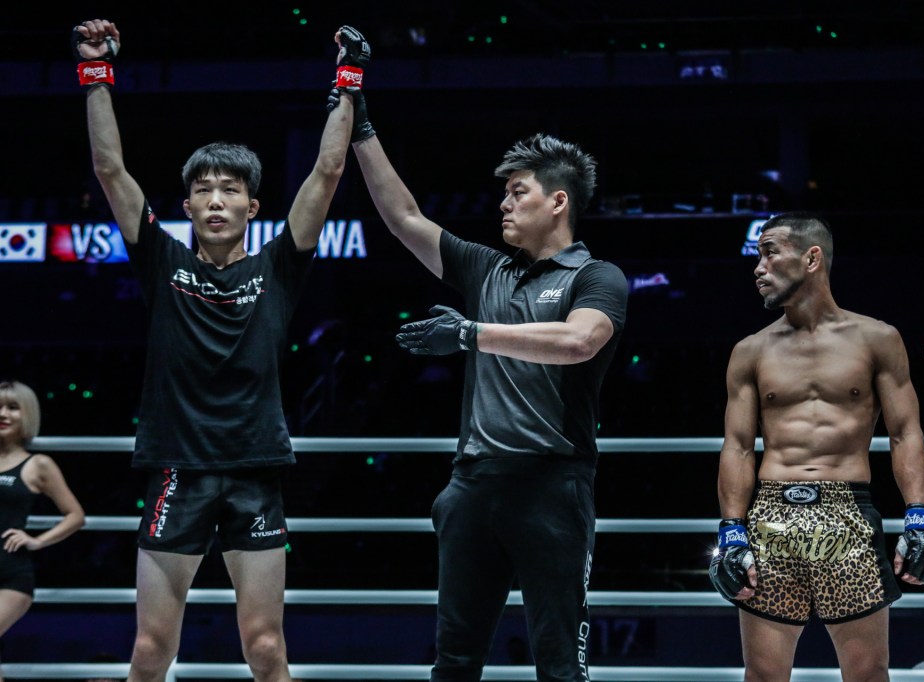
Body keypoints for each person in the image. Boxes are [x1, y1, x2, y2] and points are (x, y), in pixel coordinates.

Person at [74, 18, 366, 682]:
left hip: (254, 469)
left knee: (266, 649)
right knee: (150, 652)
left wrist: (348, 79)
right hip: (176, 466)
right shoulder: (161, 260)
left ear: (252, 205)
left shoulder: (278, 267)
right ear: (187, 203)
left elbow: (327, 170)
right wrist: (95, 71)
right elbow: (109, 168)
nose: (214, 198)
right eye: (203, 188)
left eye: (229, 188)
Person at [348, 93, 628, 680]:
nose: (502, 204)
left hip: (553, 484)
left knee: (559, 667)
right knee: (453, 663)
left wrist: (472, 334)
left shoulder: (597, 276)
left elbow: (580, 342)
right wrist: (360, 123)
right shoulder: (484, 268)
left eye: (516, 192)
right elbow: (403, 218)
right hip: (473, 484)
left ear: (558, 201)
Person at [709, 212, 924, 681]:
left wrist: (921, 516)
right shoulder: (750, 351)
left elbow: (905, 433)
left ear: (812, 257)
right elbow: (737, 447)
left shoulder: (877, 339)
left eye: (770, 252)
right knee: (762, 675)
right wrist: (730, 531)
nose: (758, 267)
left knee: (867, 674)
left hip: (848, 514)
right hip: (772, 515)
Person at [0, 381, 85, 680]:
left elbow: (75, 515)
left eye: (12, 407)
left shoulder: (39, 465)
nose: (3, 414)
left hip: (10, 574)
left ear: (27, 414)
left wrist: (36, 541)